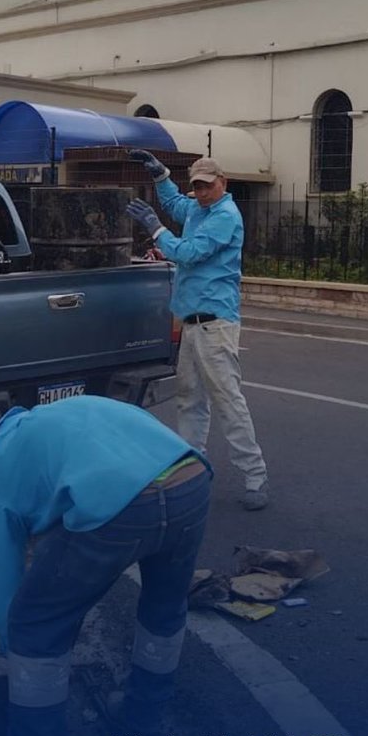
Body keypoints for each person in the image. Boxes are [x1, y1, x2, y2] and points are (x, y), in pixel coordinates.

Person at [0, 395, 212, 736]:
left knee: (34, 627)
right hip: (190, 480)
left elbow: (0, 579)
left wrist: (20, 652)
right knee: (164, 610)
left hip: (123, 505)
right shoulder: (60, 417)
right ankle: (143, 724)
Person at [125, 152, 269, 510]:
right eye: (197, 187)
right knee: (190, 399)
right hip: (192, 322)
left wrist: (156, 229)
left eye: (207, 185)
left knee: (227, 400)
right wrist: (160, 176)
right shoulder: (199, 209)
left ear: (223, 183)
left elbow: (188, 253)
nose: (201, 192)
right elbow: (176, 204)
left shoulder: (225, 217)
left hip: (215, 323)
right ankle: (191, 470)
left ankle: (255, 477)